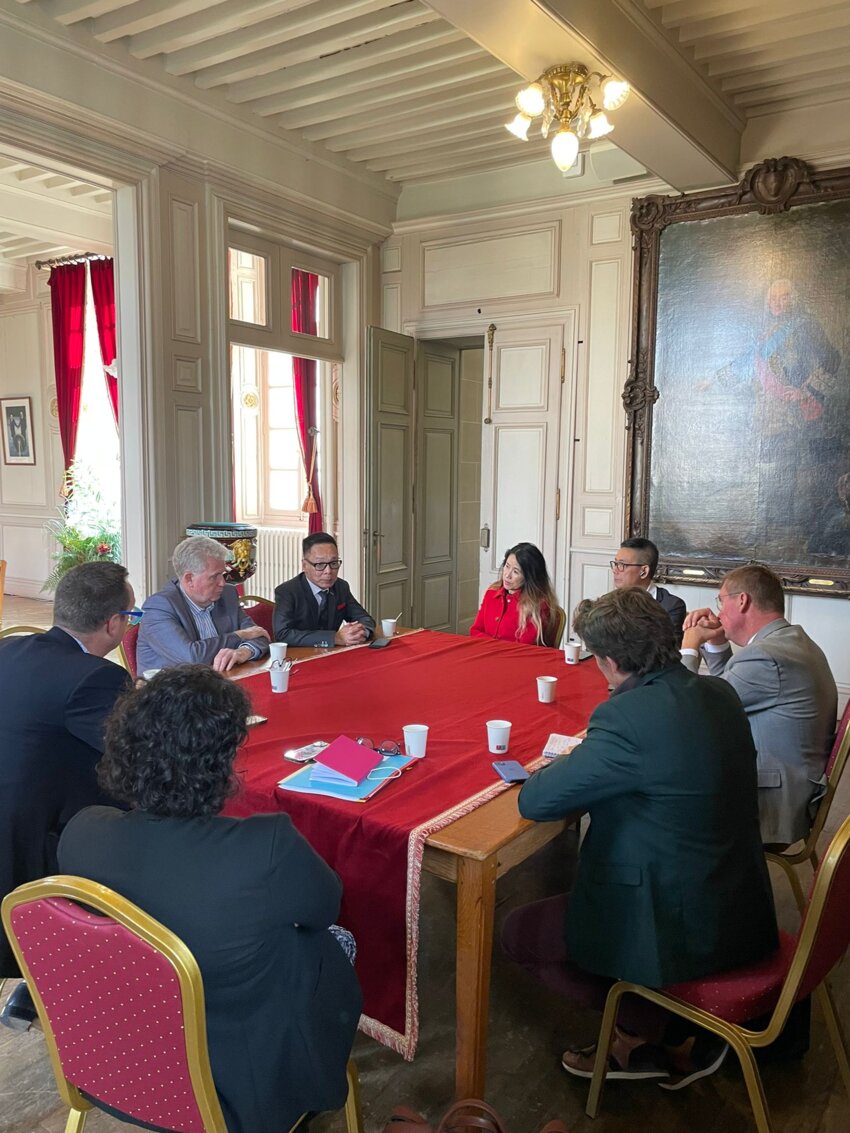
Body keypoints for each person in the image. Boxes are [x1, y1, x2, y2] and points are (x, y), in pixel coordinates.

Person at [58, 666, 362, 1133]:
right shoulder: (267, 846)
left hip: (112, 1059)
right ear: (219, 764)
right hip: (236, 1085)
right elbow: (325, 908)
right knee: (335, 940)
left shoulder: (81, 832)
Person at [502, 587, 778, 1085]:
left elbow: (535, 801)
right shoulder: (718, 692)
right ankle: (664, 1026)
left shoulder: (626, 718)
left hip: (675, 918)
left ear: (607, 661)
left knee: (517, 933)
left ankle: (643, 1031)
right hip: (741, 899)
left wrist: (573, 763)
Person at [0, 561, 134, 1029]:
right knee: (148, 816)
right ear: (113, 623)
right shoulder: (95, 677)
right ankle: (89, 974)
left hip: (14, 812)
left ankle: (35, 981)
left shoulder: (9, 650)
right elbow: (141, 753)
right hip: (38, 835)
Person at [681, 563, 837, 845]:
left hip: (771, 801)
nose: (718, 612)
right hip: (791, 785)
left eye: (721, 600)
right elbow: (728, 691)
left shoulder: (767, 657)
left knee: (662, 801)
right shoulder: (791, 642)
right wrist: (716, 642)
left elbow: (689, 709)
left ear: (742, 601)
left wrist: (689, 646)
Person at [137, 535, 270, 672]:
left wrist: (242, 652)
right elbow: (192, 657)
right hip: (171, 689)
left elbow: (259, 635)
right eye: (214, 577)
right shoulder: (159, 607)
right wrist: (240, 635)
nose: (222, 583)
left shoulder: (227, 595)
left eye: (223, 574)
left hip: (220, 683)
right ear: (189, 579)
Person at [273, 531, 375, 647]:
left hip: (333, 654)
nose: (328, 571)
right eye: (320, 564)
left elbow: (365, 619)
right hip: (300, 657)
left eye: (334, 563)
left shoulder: (341, 587)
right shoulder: (287, 592)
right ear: (305, 565)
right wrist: (334, 638)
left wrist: (359, 633)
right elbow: (282, 634)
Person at [470, 542, 557, 646]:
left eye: (516, 572)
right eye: (507, 566)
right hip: (485, 654)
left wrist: (491, 645)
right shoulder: (492, 593)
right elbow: (475, 631)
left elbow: (522, 648)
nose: (507, 575)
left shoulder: (538, 604)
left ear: (529, 577)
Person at [610, 537, 686, 642]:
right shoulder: (608, 602)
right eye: (615, 563)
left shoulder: (671, 606)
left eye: (622, 565)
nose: (615, 570)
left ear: (644, 571)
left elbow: (668, 652)